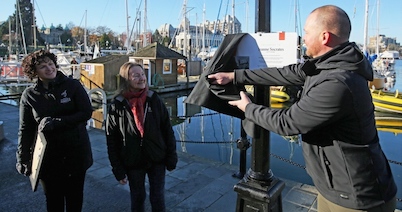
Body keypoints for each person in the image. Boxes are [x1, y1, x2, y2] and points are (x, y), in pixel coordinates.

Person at [208, 5, 397, 212]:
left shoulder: (339, 82)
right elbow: (285, 73)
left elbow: (288, 122)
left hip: (358, 197)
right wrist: (235, 76)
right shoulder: (325, 65)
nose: (304, 38)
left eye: (307, 32)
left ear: (324, 37)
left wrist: (248, 107)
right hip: (334, 187)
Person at [16, 49, 93, 211]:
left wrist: (58, 122)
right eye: (43, 66)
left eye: (50, 64)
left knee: (74, 200)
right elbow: (26, 129)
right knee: (53, 201)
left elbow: (86, 113)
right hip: (48, 158)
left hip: (75, 154)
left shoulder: (73, 86)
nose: (49, 68)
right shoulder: (29, 95)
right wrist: (22, 158)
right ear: (34, 71)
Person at [105, 62, 177, 212]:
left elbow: (167, 130)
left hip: (157, 157)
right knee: (137, 197)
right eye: (136, 75)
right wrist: (117, 168)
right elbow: (112, 140)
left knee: (157, 197)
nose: (141, 78)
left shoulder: (154, 99)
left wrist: (171, 157)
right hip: (133, 160)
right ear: (126, 79)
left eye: (143, 74)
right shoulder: (117, 105)